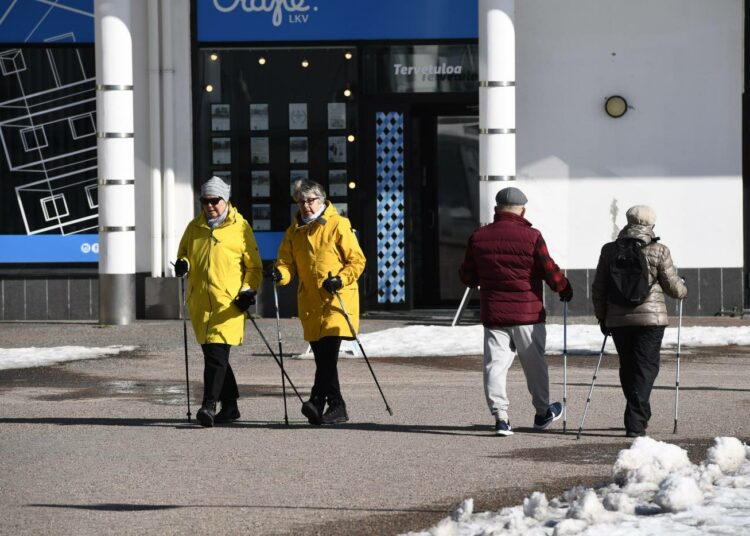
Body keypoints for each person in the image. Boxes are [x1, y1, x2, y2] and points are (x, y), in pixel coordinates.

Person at [459, 186, 572, 436]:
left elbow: (466, 275)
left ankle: (501, 417)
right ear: (523, 210)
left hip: (494, 314)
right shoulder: (532, 236)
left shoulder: (479, 236)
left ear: (497, 209)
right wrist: (563, 287)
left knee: (495, 366)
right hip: (527, 315)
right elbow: (548, 268)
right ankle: (543, 412)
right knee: (534, 365)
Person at [269, 180, 366, 426]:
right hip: (310, 302)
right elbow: (286, 263)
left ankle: (315, 400)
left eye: (311, 200)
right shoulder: (294, 232)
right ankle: (336, 406)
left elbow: (357, 261)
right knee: (322, 356)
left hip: (337, 299)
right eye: (301, 201)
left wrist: (340, 279)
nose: (306, 206)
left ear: (321, 201)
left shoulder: (338, 224)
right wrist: (280, 275)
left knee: (328, 354)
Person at [174, 176, 262, 428]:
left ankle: (208, 405)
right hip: (200, 302)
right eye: (205, 201)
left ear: (226, 200)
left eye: (215, 200)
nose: (210, 205)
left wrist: (247, 291)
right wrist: (183, 265)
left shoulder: (241, 227)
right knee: (216, 356)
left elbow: (254, 267)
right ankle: (231, 407)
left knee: (215, 355)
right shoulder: (194, 227)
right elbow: (184, 255)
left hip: (229, 304)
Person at [592, 205, 687, 437]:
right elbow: (674, 289)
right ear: (651, 224)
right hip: (650, 319)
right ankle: (635, 422)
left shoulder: (609, 250)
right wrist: (684, 288)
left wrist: (602, 316)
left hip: (618, 319)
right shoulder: (659, 250)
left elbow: (599, 287)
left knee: (628, 367)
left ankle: (639, 413)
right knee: (646, 367)